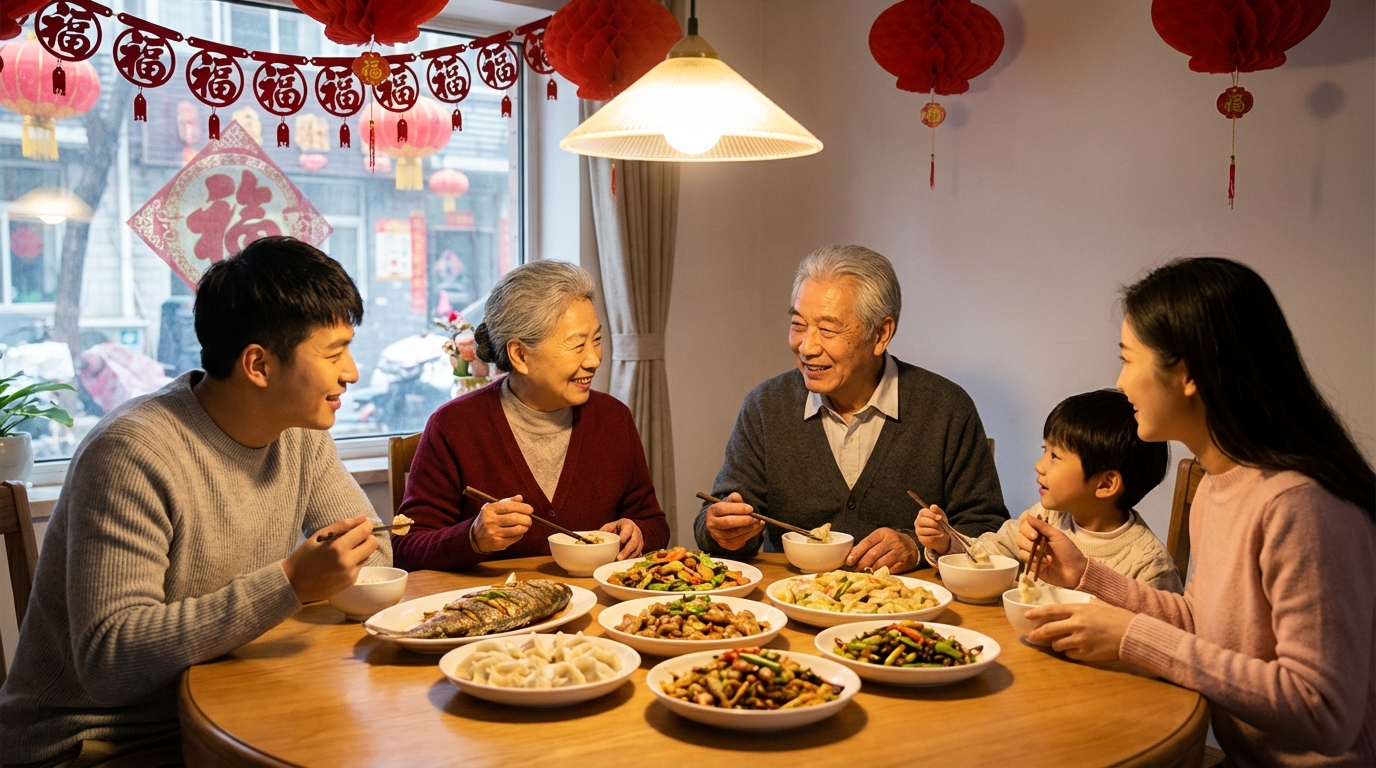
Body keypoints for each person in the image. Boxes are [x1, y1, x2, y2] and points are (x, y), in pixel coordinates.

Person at [0, 236, 391, 767]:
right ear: (258, 365)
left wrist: (327, 571)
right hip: (99, 742)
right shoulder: (133, 452)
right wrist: (291, 584)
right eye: (333, 352)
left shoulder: (299, 433)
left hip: (235, 702)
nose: (352, 372)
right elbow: (110, 660)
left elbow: (374, 553)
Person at [1019, 258, 1375, 765]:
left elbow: (1324, 711)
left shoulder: (1300, 504)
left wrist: (1133, 639)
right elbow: (1201, 622)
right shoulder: (1215, 486)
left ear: (1187, 374)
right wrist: (1085, 575)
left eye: (1128, 359)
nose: (1121, 382)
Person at [695, 245, 1008, 572]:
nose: (806, 347)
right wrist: (723, 531)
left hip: (904, 600)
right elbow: (715, 519)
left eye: (827, 330)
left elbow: (988, 527)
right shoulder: (765, 406)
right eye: (799, 324)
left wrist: (916, 548)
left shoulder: (945, 407)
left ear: (881, 334)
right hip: (790, 596)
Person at [393, 261, 670, 571]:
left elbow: (654, 523)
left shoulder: (613, 419)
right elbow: (405, 548)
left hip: (594, 599)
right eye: (578, 345)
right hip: (494, 600)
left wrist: (637, 532)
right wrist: (473, 537)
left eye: (596, 340)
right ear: (520, 355)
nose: (594, 359)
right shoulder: (454, 426)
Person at [917, 389, 1182, 592]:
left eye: (1055, 456)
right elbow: (992, 555)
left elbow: (1156, 638)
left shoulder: (1148, 565)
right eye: (1046, 450)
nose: (1040, 466)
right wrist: (947, 542)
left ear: (1105, 484)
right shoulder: (1046, 517)